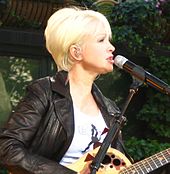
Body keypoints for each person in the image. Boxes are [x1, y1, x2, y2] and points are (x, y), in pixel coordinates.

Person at [0, 7, 128, 174]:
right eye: (101, 40)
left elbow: (123, 167)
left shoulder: (111, 111)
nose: (111, 47)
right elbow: (7, 149)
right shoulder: (45, 92)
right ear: (76, 52)